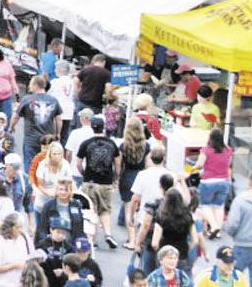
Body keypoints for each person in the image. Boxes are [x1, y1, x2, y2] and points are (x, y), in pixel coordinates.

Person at [75, 116, 120, 248]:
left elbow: (78, 163)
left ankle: (93, 238)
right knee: (105, 210)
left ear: (92, 127)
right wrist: (115, 177)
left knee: (91, 210)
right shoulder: (112, 144)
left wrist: (84, 173)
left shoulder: (86, 143)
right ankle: (108, 234)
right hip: (106, 182)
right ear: (103, 127)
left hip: (90, 181)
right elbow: (117, 163)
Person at [11, 76, 62, 164]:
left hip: (31, 138)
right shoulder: (53, 100)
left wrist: (12, 126)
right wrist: (58, 133)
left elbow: (16, 116)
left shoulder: (26, 99)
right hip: (48, 138)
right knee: (47, 162)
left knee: (30, 163)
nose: (29, 86)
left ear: (35, 85)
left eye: (31, 84)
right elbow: (59, 119)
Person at [193, 128, 233, 239]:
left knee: (206, 205)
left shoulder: (206, 150)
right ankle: (217, 231)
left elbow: (200, 164)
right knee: (219, 206)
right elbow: (228, 164)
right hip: (224, 181)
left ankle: (214, 227)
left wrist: (194, 167)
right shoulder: (228, 150)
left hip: (208, 182)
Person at [121, 117, 151, 245]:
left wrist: (118, 177)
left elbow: (120, 164)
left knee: (129, 208)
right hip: (141, 176)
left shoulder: (123, 145)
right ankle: (139, 238)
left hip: (127, 175)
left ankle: (132, 239)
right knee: (139, 208)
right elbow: (148, 164)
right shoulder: (146, 146)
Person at [151, 190, 198, 274]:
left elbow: (154, 243)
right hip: (182, 253)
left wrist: (160, 252)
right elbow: (195, 240)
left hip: (165, 253)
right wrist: (187, 249)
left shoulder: (162, 216)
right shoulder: (187, 216)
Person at [0, 213, 35, 287]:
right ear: (9, 228)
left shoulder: (24, 238)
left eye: (22, 227)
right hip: (4, 284)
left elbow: (31, 256)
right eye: (18, 227)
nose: (21, 230)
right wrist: (15, 265)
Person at [37, 177, 86, 245]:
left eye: (66, 190)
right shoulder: (48, 205)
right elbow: (42, 228)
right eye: (61, 189)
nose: (63, 192)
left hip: (72, 241)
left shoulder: (76, 205)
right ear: (56, 190)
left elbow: (80, 228)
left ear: (71, 191)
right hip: (52, 241)